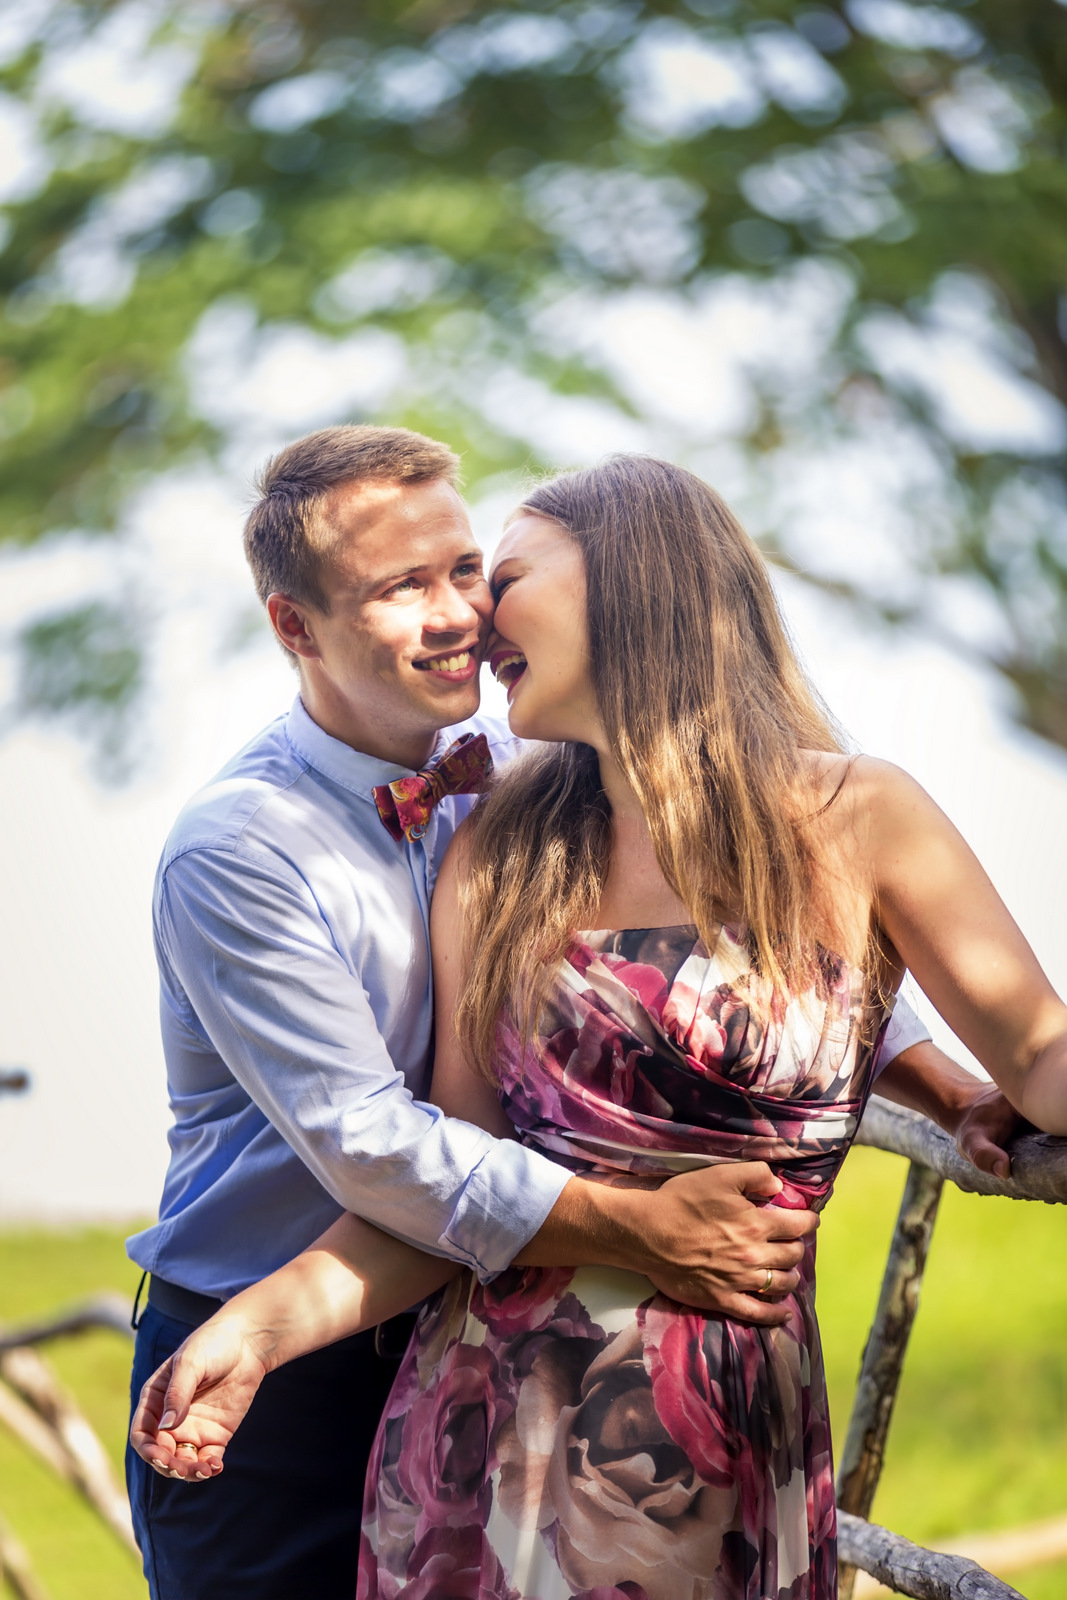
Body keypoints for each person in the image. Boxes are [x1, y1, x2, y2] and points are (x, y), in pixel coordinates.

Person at [130, 454, 1046, 1599]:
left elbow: (782, 947)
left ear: (632, 584)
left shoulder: (529, 780)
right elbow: (384, 1144)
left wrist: (951, 1084)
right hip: (307, 1350)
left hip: (638, 1401)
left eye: (474, 570)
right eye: (402, 584)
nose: (464, 610)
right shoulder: (254, 849)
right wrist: (263, 1329)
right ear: (295, 626)